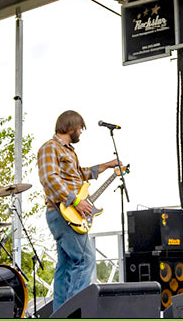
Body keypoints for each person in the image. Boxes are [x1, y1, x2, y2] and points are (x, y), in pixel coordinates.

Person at [37, 110, 122, 307]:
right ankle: (75, 311)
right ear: (70, 127)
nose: (81, 133)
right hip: (62, 212)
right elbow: (49, 178)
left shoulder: (68, 151)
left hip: (66, 213)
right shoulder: (50, 148)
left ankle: (61, 313)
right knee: (85, 259)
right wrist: (75, 201)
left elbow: (79, 174)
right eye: (80, 129)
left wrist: (108, 165)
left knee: (66, 265)